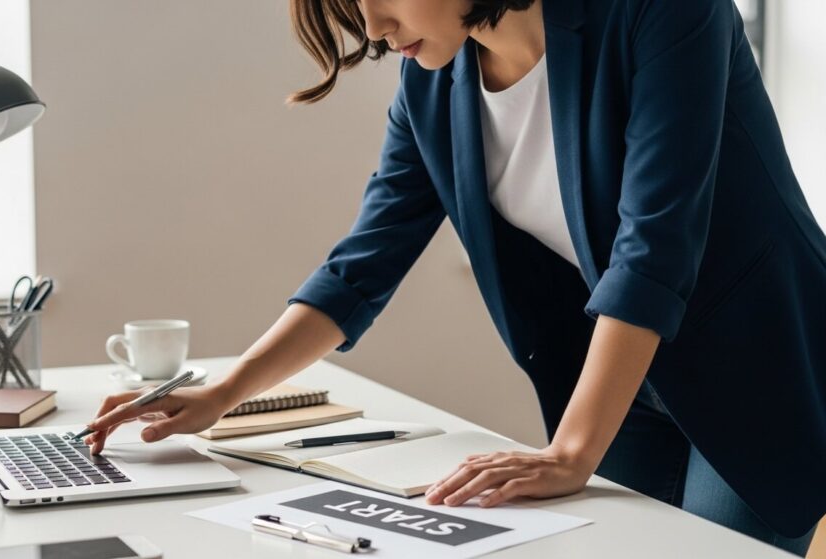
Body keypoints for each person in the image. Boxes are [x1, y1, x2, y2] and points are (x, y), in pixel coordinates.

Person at [86, 0, 825, 554]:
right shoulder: (431, 89)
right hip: (619, 380)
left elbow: (653, 246)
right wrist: (225, 392)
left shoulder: (662, 10)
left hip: (760, 365)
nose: (373, 27)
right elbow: (363, 263)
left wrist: (570, 452)